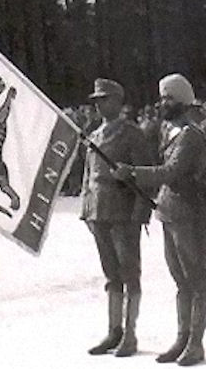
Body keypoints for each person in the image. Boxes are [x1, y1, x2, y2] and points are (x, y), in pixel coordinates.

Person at [113, 74, 206, 366]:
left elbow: (170, 172)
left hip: (189, 215)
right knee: (181, 282)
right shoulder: (171, 130)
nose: (162, 103)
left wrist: (133, 172)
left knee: (197, 281)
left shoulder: (191, 135)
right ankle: (182, 337)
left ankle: (195, 343)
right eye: (162, 97)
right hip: (169, 213)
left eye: (168, 98)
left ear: (182, 100)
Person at [79, 78, 152, 357]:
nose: (99, 105)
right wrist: (86, 209)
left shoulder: (132, 133)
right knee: (111, 275)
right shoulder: (95, 135)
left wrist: (139, 214)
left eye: (105, 99)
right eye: (96, 100)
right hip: (100, 212)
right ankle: (114, 331)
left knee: (129, 272)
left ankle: (130, 334)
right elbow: (89, 176)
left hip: (124, 212)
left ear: (119, 102)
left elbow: (145, 176)